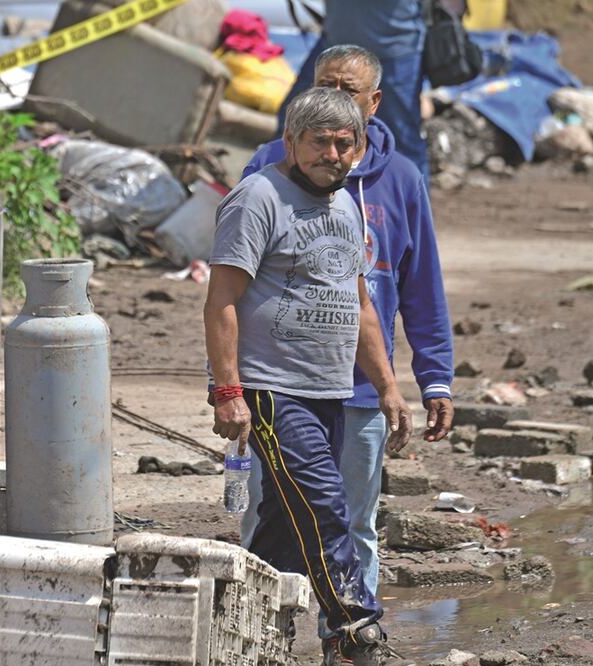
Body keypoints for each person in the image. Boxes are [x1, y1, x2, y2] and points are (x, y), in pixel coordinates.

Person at [238, 44, 454, 661]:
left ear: (374, 103)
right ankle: (266, 637)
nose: (335, 100)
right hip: (277, 380)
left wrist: (427, 380)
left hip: (355, 388)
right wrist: (226, 385)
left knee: (350, 522)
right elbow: (231, 285)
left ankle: (344, 643)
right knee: (273, 514)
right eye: (324, 86)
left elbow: (416, 290)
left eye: (349, 91)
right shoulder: (266, 171)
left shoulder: (399, 181)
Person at [204, 86, 412, 665]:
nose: (333, 154)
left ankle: (237, 633)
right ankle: (356, 635)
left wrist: (390, 387)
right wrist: (227, 392)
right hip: (271, 388)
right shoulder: (258, 198)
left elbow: (362, 305)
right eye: (319, 142)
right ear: (292, 143)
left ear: (360, 146)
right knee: (324, 506)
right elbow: (221, 298)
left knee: (286, 527)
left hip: (330, 389)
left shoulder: (347, 205)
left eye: (345, 143)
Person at [278, 0, 430, 181]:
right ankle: (276, 196)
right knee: (291, 119)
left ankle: (413, 204)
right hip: (335, 46)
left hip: (393, 54)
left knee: (403, 141)